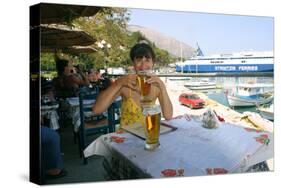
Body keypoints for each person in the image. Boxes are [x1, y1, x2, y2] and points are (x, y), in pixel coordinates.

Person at [93, 42, 173, 127]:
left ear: (153, 62)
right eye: (139, 60)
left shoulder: (156, 86)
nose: (143, 65)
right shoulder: (125, 84)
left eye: (147, 60)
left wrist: (163, 87)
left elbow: (168, 116)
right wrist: (118, 82)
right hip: (127, 137)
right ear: (133, 63)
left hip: (149, 135)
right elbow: (97, 109)